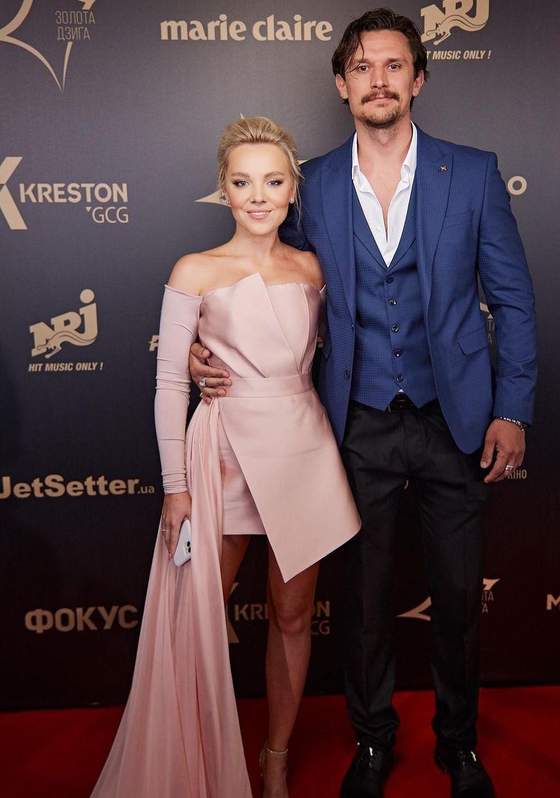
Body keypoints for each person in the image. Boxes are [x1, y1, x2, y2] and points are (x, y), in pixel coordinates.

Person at [192, 8, 537, 798]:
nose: (378, 80)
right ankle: (373, 742)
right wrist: (192, 343)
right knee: (363, 599)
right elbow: (261, 277)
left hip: (456, 421)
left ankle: (459, 746)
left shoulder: (472, 173)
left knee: (459, 598)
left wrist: (512, 409)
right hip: (354, 422)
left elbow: (514, 300)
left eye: (393, 66)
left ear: (418, 80)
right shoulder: (310, 183)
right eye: (361, 68)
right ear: (342, 86)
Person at [91, 116, 360, 798]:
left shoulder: (315, 269)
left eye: (272, 181)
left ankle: (275, 758)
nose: (258, 196)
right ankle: (193, 762)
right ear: (224, 189)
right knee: (195, 621)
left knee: (292, 616)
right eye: (243, 182)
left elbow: (339, 354)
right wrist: (176, 487)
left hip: (302, 451)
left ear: (293, 189)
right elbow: (168, 383)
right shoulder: (195, 269)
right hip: (224, 457)